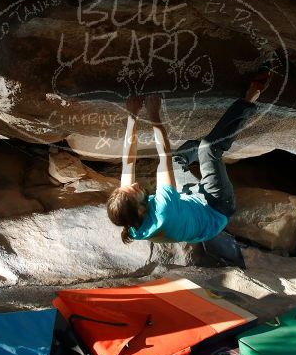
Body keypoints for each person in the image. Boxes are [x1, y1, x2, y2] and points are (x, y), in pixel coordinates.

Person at [107, 70, 272, 244]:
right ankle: (250, 98)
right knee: (209, 148)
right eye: (134, 190)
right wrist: (154, 113)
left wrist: (132, 115)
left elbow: (129, 161)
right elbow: (164, 156)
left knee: (180, 159)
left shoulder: (128, 214)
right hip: (215, 208)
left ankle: (214, 138)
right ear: (140, 210)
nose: (133, 184)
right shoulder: (163, 210)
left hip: (187, 202)